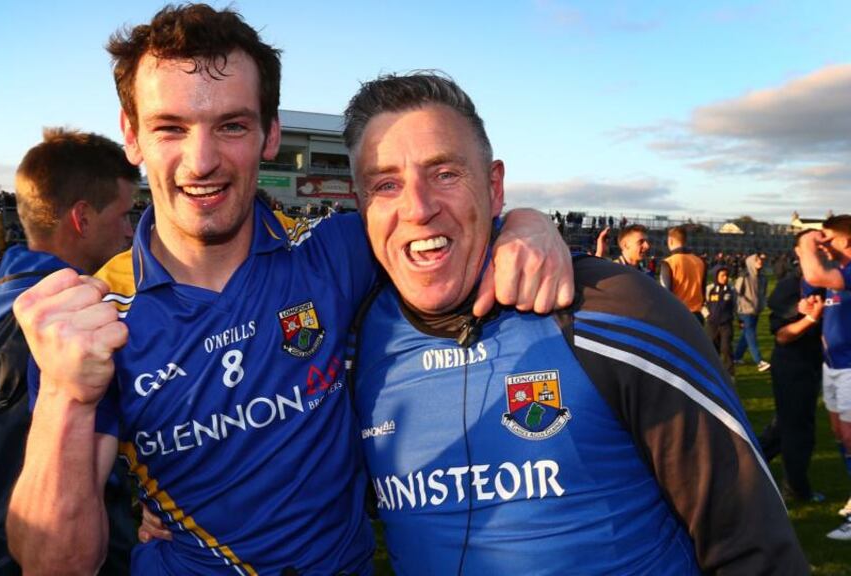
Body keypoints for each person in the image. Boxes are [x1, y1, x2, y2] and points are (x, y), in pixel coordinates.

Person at [7, 5, 573, 575]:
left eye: (231, 125)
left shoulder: (336, 252)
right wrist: (63, 396)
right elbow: (54, 565)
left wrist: (526, 223)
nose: (202, 162)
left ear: (269, 134)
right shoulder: (96, 321)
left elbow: (439, 224)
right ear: (132, 135)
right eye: (170, 127)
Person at [343, 73, 806, 574]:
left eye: (445, 174)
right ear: (362, 204)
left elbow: (753, 546)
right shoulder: (357, 337)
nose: (418, 207)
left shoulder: (612, 309)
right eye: (386, 184)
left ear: (494, 188)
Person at [0, 128, 141, 576]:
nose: (130, 230)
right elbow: (57, 494)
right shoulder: (57, 330)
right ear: (82, 218)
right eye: (125, 215)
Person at [797, 214, 851, 540]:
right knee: (838, 433)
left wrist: (806, 240)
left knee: (849, 437)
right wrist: (809, 304)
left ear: (846, 240)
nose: (823, 245)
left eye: (828, 239)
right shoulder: (836, 273)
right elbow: (810, 284)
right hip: (831, 364)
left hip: (849, 366)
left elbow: (815, 271)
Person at [758, 238, 824, 503]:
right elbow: (783, 336)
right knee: (799, 429)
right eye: (813, 245)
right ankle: (796, 488)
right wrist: (809, 319)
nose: (821, 249)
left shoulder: (829, 283)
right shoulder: (789, 286)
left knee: (786, 423)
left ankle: (747, 461)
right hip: (793, 365)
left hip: (813, 364)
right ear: (798, 251)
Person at [660, 226, 706, 323]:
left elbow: (665, 294)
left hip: (677, 315)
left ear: (670, 241)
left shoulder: (668, 262)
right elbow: (703, 290)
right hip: (697, 316)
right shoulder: (699, 261)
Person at [733, 253, 771, 371]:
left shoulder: (763, 277)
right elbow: (736, 293)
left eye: (760, 259)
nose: (760, 261)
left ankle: (737, 356)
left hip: (756, 310)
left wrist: (762, 304)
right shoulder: (744, 276)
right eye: (757, 259)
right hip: (745, 310)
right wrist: (737, 311)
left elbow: (763, 293)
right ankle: (759, 361)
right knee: (751, 335)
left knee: (747, 335)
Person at [703, 265, 735, 376]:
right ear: (716, 276)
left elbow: (736, 304)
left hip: (726, 324)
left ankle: (730, 374)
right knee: (712, 350)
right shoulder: (709, 289)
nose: (725, 278)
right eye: (722, 275)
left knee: (726, 349)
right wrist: (708, 316)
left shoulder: (731, 289)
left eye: (726, 275)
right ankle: (712, 373)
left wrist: (738, 318)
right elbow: (702, 303)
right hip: (712, 325)